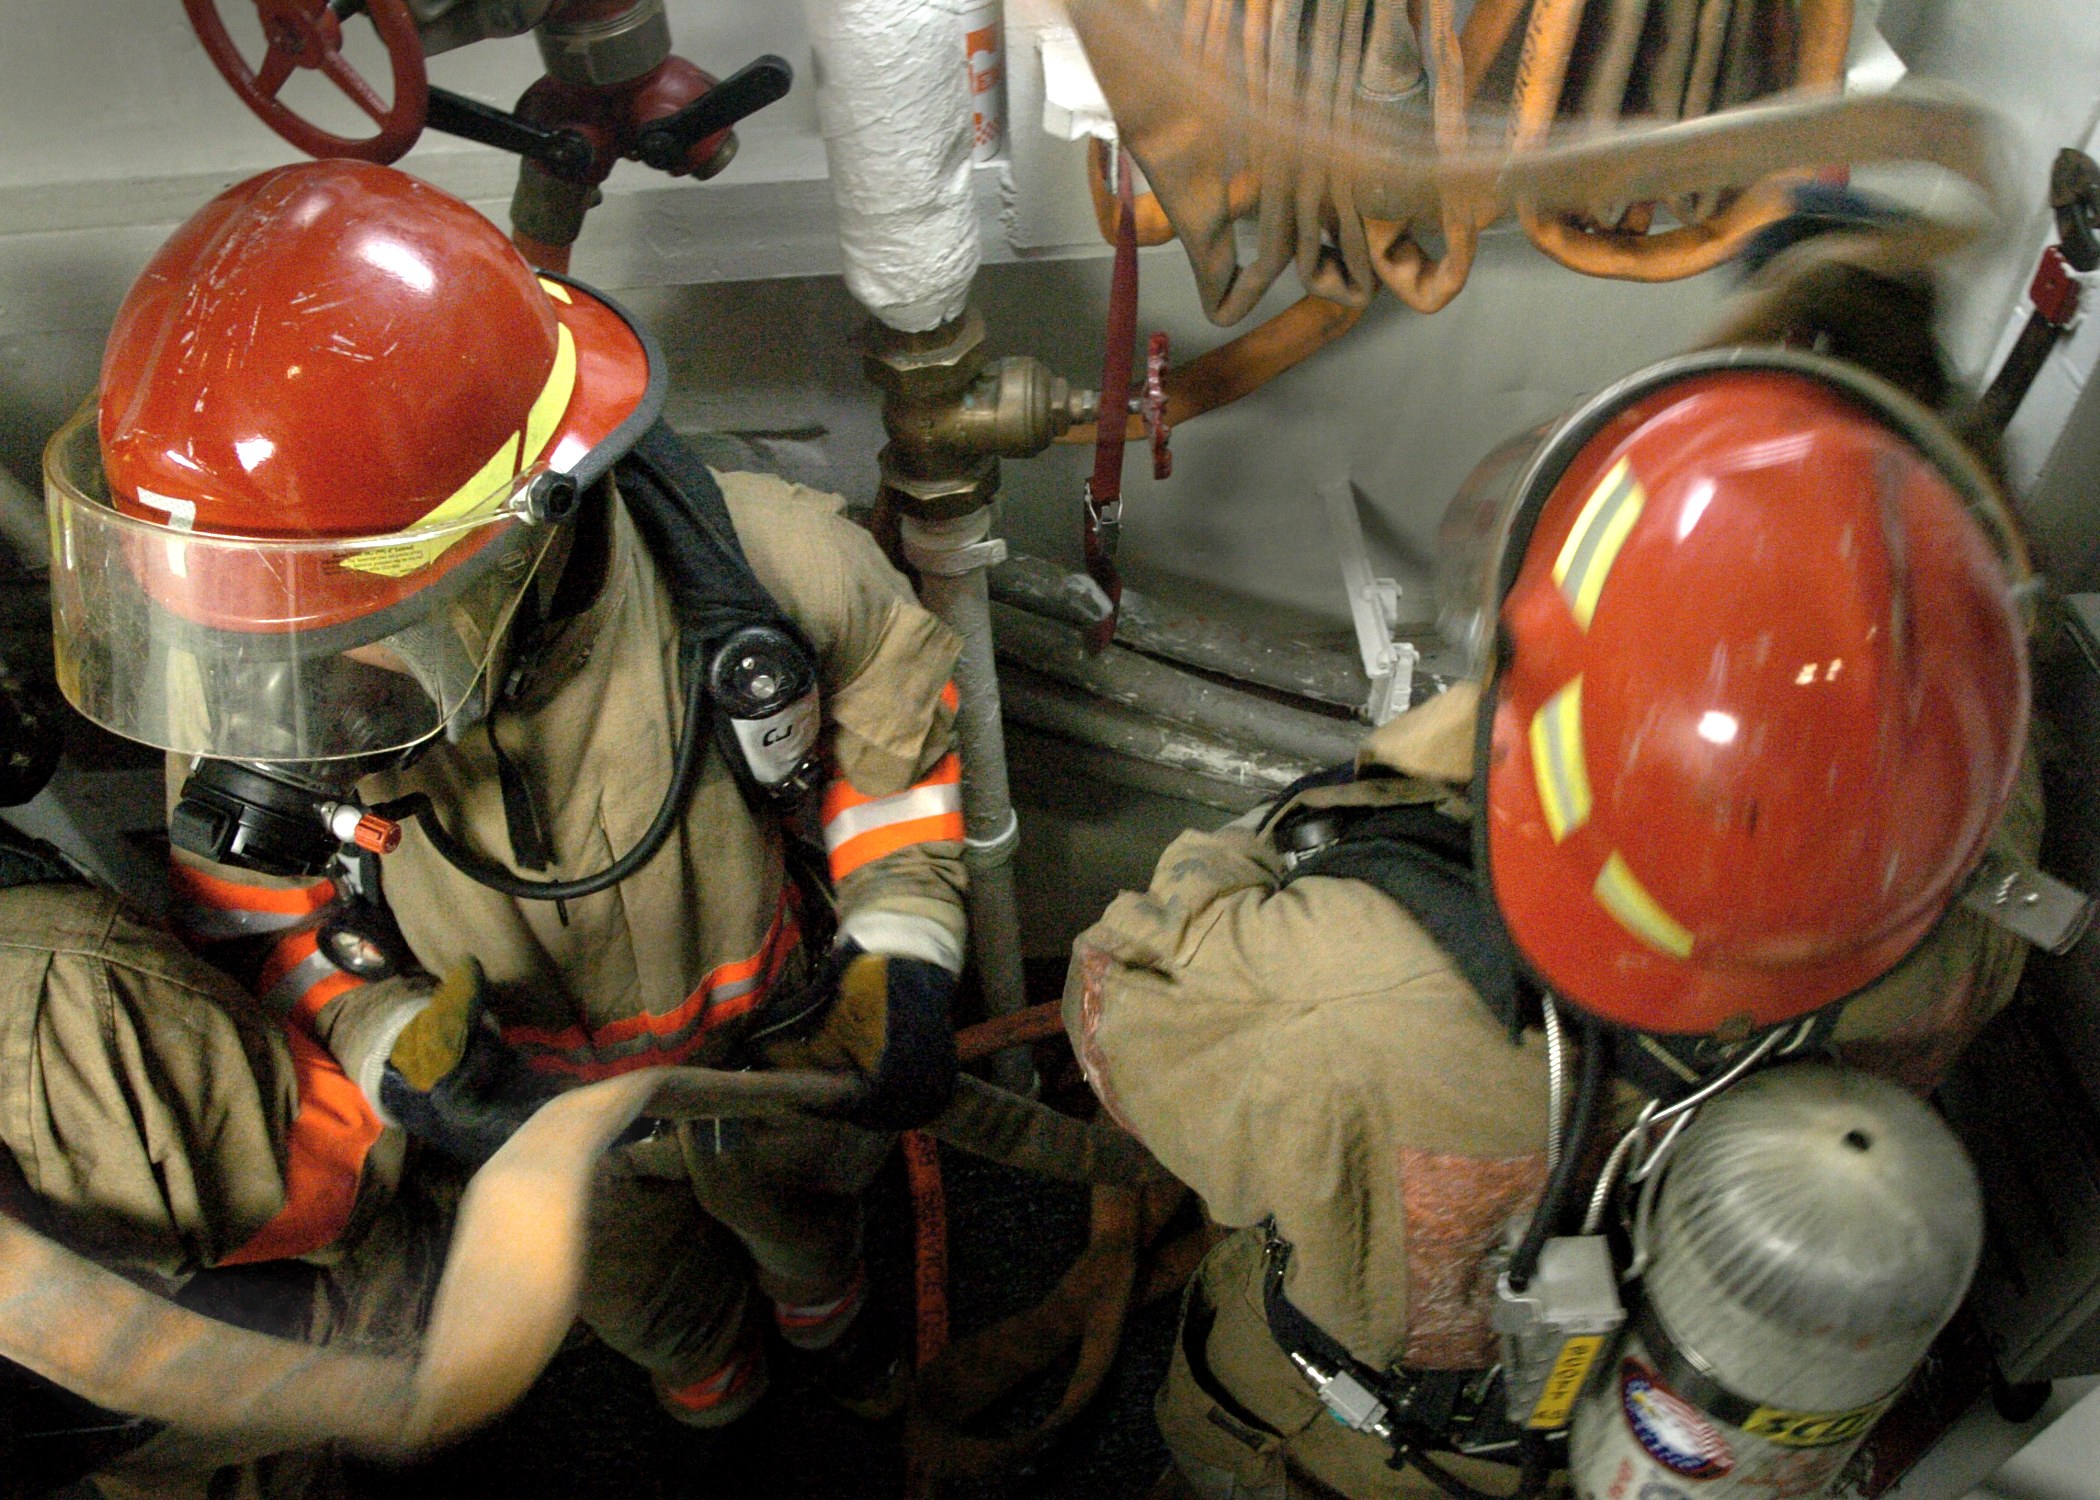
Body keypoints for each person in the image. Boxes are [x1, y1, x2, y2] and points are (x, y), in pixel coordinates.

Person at [1062, 249, 2044, 1499]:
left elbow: (1116, 1009)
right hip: (1635, 1431)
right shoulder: (1970, 902)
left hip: (1356, 1456)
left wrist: (1358, 784)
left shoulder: (1331, 988)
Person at [44, 159, 969, 1429]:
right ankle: (721, 1407)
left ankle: (834, 1339)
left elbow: (895, 755)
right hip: (531, 1137)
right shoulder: (247, 687)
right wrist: (390, 1051)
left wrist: (905, 953)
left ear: (509, 544)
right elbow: (262, 923)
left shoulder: (770, 571)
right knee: (646, 1308)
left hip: (784, 1074)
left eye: (341, 632)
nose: (287, 680)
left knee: (812, 1242)